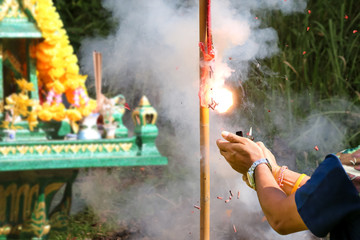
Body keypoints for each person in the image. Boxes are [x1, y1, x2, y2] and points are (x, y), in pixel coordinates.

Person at [216, 131, 360, 239]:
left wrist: (257, 164)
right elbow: (330, 195)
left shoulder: (352, 164)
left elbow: (281, 219)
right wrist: (275, 173)